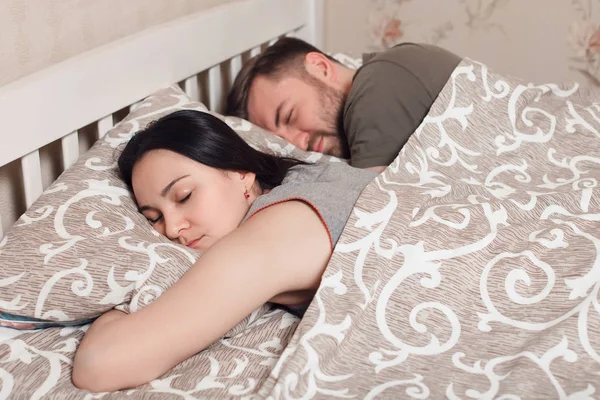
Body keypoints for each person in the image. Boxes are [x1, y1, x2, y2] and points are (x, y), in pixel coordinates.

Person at [71, 110, 376, 392]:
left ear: (240, 172)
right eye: (155, 218)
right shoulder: (315, 177)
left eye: (184, 196)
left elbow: (98, 366)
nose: (173, 227)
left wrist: (117, 311)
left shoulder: (269, 237)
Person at [225, 38, 461, 173]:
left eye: (289, 115)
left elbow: (375, 212)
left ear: (321, 67)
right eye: (281, 140)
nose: (296, 144)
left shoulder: (376, 87)